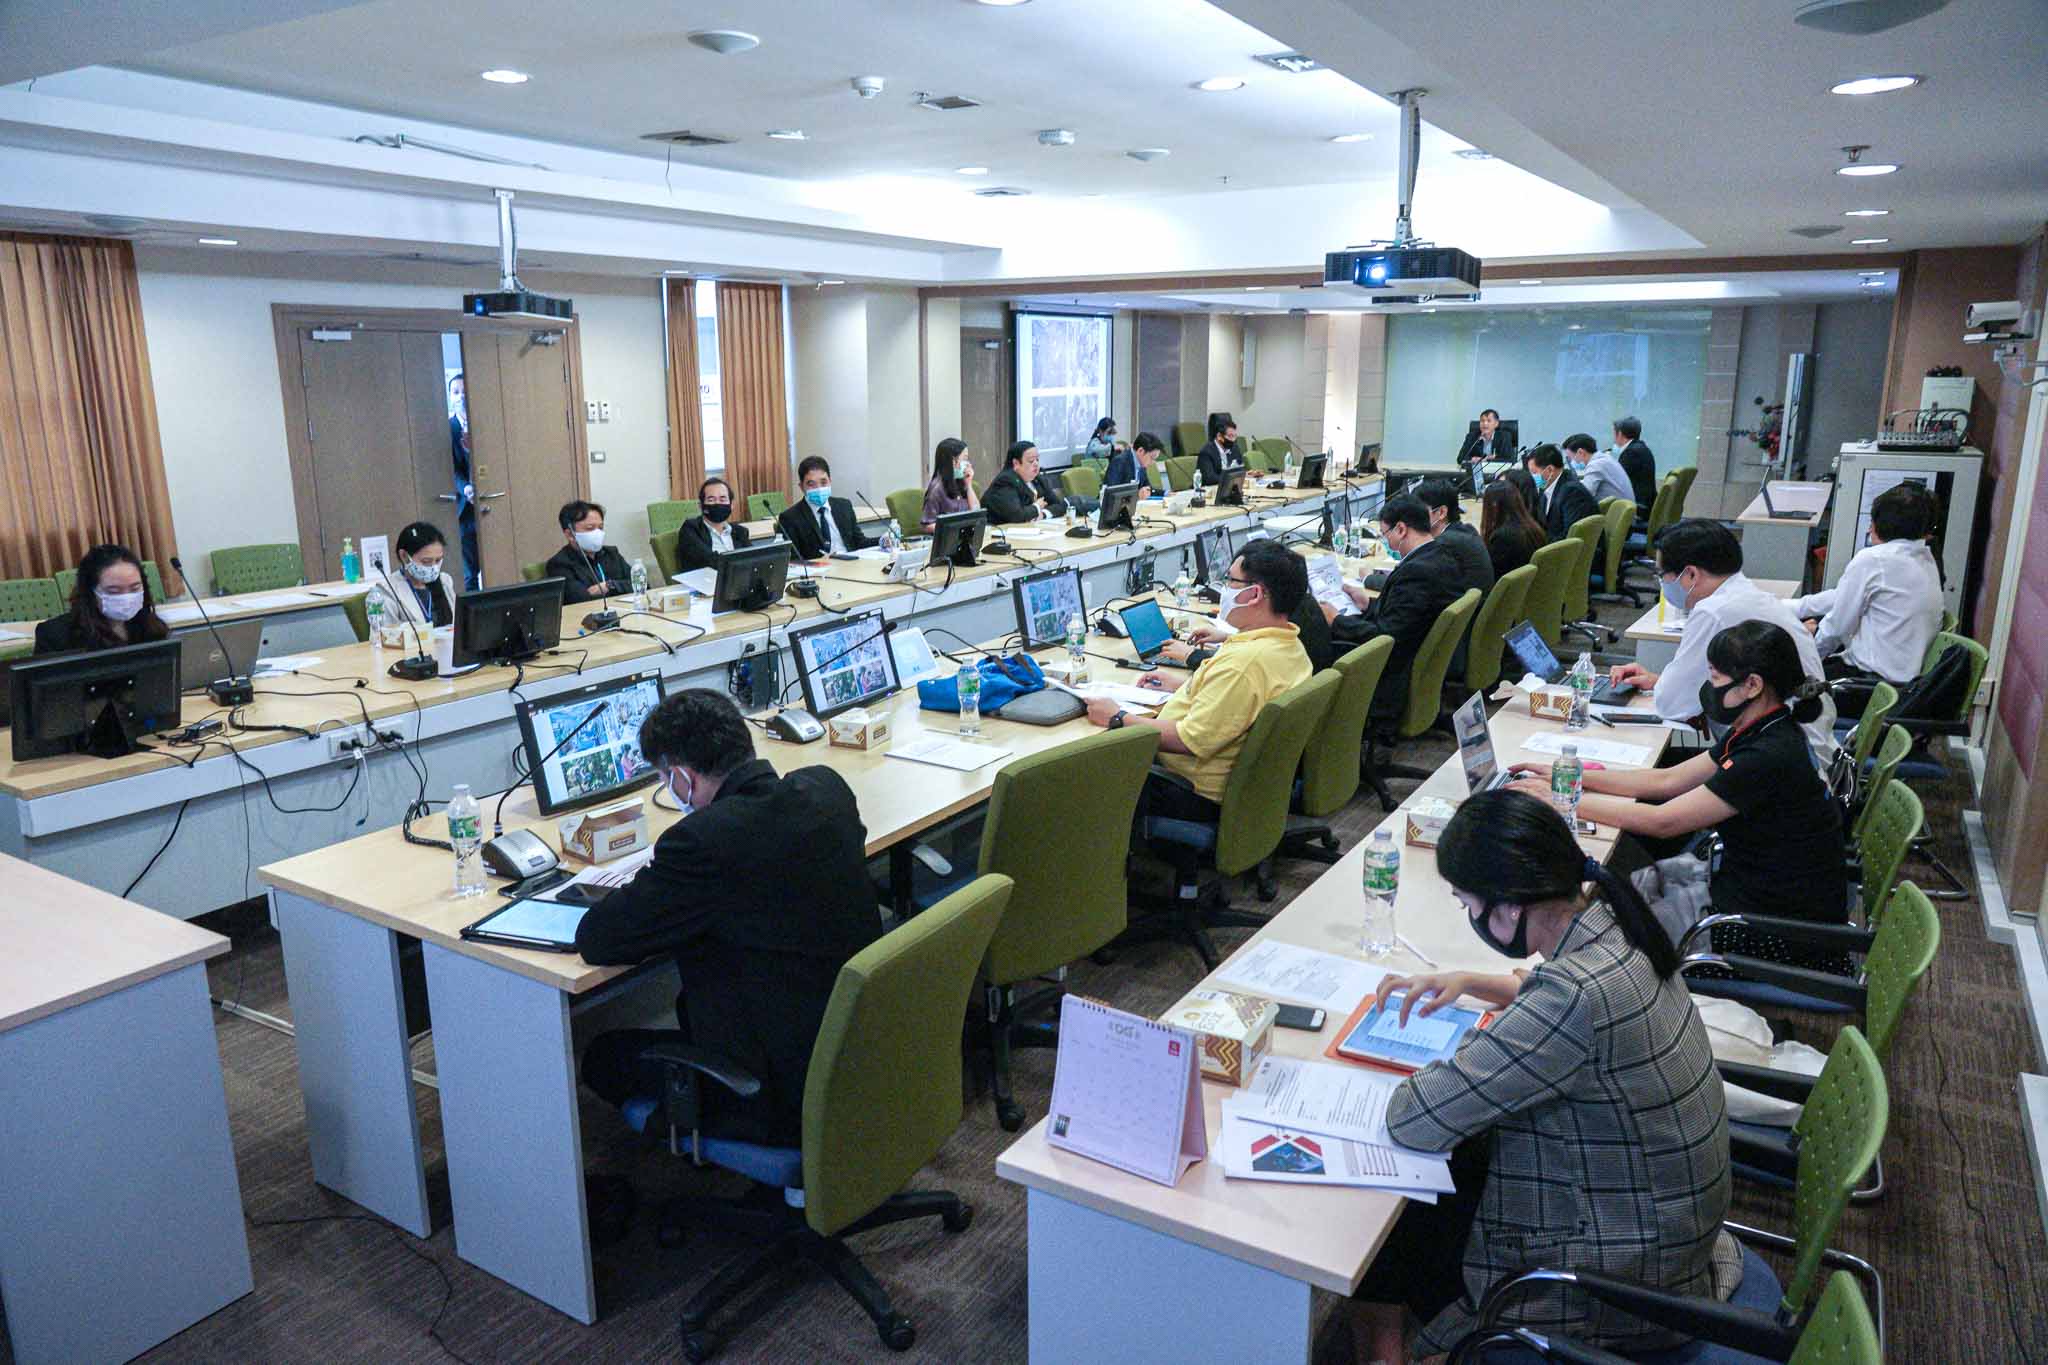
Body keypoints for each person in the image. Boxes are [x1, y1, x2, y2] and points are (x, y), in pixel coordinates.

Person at [1349, 790, 1734, 1363]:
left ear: (1508, 908)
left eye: (1467, 904)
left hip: (1622, 1276)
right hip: (1669, 1228)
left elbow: (1414, 1115)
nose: (1470, 918)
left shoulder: (1572, 998)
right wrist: (1471, 981)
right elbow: (1562, 998)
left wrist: (1471, 1050)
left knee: (1412, 1177)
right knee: (1451, 1166)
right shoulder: (1618, 924)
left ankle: (1395, 1350)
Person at [575, 689, 882, 1146]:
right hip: (853, 1044)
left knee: (603, 1055)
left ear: (682, 777)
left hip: (774, 1086)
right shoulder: (825, 788)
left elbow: (598, 939)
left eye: (665, 778)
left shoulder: (700, 841)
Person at [1517, 620, 1849, 972]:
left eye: (1716, 678)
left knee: (1613, 938)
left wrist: (1559, 800)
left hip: (1774, 932)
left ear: (1752, 685)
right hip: (1754, 893)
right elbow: (1668, 780)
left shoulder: (1768, 754)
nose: (1709, 688)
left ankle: (1564, 984)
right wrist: (1572, 777)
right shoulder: (1761, 728)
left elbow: (1663, 822)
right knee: (1615, 903)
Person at [1081, 538, 1311, 823]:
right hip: (1246, 790)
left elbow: (1188, 741)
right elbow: (1237, 705)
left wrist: (1118, 717)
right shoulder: (1289, 645)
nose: (1224, 588)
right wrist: (1184, 687)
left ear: (1254, 594)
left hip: (1191, 792)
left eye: (1230, 581)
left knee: (1085, 765)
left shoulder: (1244, 665)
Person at [1608, 519, 1835, 761]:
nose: (1662, 583)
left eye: (1661, 575)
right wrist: (1659, 681)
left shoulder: (1714, 611)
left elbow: (1672, 704)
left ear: (1691, 574)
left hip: (1779, 759)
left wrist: (1668, 688)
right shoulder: (1745, 595)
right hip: (1800, 746)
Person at [1793, 482, 1943, 703]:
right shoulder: (1925, 558)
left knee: (1780, 682)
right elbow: (1842, 596)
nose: (1868, 529)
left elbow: (1836, 628)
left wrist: (1807, 661)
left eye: (1871, 522)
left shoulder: (1875, 559)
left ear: (1881, 524)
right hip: (1901, 685)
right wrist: (1792, 607)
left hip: (1868, 685)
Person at [1327, 493, 1468, 723]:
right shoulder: (1440, 554)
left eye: (1385, 534)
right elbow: (1406, 614)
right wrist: (1368, 604)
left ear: (1401, 529)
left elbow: (1385, 638)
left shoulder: (1417, 572)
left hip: (1394, 675)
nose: (1387, 542)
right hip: (1419, 655)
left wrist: (1336, 620)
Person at [33, 543, 171, 654]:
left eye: (135, 588)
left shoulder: (152, 628)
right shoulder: (55, 635)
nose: (126, 597)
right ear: (90, 592)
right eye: (114, 591)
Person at [777, 456, 876, 560]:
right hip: (819, 568)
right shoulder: (790, 518)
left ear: (830, 481)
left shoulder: (843, 506)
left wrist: (882, 540)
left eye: (823, 482)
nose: (819, 488)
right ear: (801, 487)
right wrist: (818, 562)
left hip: (850, 563)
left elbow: (860, 542)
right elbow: (791, 560)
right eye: (811, 484)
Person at [544, 500, 633, 606]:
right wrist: (622, 587)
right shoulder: (559, 564)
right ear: (570, 535)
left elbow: (641, 584)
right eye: (590, 528)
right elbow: (583, 599)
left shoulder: (611, 553)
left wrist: (610, 585)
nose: (597, 533)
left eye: (600, 528)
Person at [381, 521, 457, 629]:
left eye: (438, 560)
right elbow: (387, 635)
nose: (433, 567)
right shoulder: (387, 590)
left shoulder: (445, 581)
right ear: (404, 556)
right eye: (426, 561)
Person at [1525, 442, 1601, 542]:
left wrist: (1538, 544)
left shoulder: (1572, 492)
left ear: (1550, 470)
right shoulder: (1547, 487)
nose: (1531, 477)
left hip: (1576, 549)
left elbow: (1570, 537)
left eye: (1534, 472)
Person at [674, 476, 752, 573]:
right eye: (711, 500)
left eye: (722, 499)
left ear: (731, 505)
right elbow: (708, 560)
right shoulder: (691, 529)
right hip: (706, 580)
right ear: (701, 506)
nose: (717, 504)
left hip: (739, 579)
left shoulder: (740, 532)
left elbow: (754, 559)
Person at [447, 372, 480, 590]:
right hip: (463, 508)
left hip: (487, 505)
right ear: (451, 397)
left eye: (464, 391)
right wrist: (465, 488)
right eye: (456, 392)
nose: (461, 396)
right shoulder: (448, 428)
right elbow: (449, 468)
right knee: (470, 572)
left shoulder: (484, 424)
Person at [983, 440, 1070, 524]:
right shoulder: (1005, 481)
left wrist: (1043, 514)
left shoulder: (1038, 479)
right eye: (1031, 461)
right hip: (998, 530)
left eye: (1037, 460)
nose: (1036, 464)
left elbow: (1059, 505)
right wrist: (1037, 507)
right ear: (1016, 463)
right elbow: (1017, 515)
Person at [1480, 478, 1548, 580]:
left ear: (1494, 505)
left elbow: (1490, 575)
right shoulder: (1532, 525)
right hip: (1530, 584)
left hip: (1511, 587)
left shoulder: (1502, 537)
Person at [921, 438, 980, 532]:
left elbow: (976, 511)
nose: (968, 464)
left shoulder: (961, 481)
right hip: (947, 538)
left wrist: (969, 485)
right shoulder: (937, 489)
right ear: (953, 461)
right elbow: (927, 525)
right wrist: (955, 528)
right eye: (964, 458)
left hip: (964, 535)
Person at [1563, 432, 1634, 508]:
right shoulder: (1605, 458)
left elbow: (1583, 495)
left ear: (1580, 452)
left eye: (1570, 458)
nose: (1571, 462)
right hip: (1621, 509)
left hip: (1615, 513)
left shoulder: (1596, 465)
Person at [1613, 415, 1659, 513]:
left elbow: (1617, 481)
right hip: (1647, 503)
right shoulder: (1641, 448)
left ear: (1619, 434)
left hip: (1639, 508)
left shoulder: (1631, 453)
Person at [1104, 431, 1164, 496]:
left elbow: (1148, 489)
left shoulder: (1141, 464)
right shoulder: (1120, 462)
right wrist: (1137, 495)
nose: (1153, 462)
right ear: (1141, 451)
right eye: (1152, 458)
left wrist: (1165, 493)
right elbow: (1112, 494)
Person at [1194, 411, 1242, 488]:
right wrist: (1231, 479)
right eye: (1230, 436)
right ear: (1219, 436)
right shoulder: (1206, 452)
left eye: (1235, 436)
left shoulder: (1234, 449)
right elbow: (1210, 478)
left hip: (1229, 487)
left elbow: (1240, 469)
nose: (1233, 440)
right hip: (1209, 489)